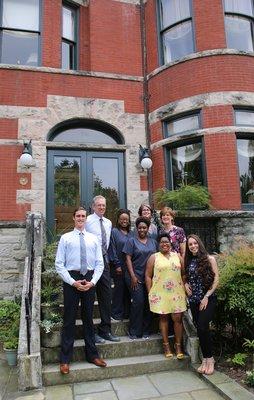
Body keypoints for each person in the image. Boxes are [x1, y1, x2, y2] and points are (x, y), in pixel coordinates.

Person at [55, 206, 106, 374]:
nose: (81, 218)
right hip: (72, 279)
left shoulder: (93, 239)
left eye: (83, 216)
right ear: (73, 218)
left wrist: (92, 282)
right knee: (69, 320)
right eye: (78, 216)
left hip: (89, 279)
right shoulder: (65, 238)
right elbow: (59, 264)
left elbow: (99, 263)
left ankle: (92, 355)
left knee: (88, 319)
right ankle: (65, 359)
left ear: (86, 218)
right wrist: (72, 282)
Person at [145, 233, 186, 359]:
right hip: (160, 293)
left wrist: (184, 288)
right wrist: (150, 292)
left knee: (177, 318)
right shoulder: (154, 257)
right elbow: (148, 275)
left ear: (171, 243)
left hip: (177, 292)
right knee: (163, 318)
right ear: (158, 244)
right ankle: (166, 345)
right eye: (162, 242)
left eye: (167, 241)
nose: (165, 244)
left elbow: (184, 274)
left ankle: (178, 346)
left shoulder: (178, 256)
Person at [86, 195, 120, 343]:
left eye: (103, 205)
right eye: (99, 205)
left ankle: (105, 330)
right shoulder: (87, 221)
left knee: (106, 297)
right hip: (89, 263)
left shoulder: (108, 223)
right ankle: (91, 332)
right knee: (89, 298)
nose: (101, 207)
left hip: (104, 263)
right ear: (93, 207)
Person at [184, 234, 219, 375]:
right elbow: (186, 276)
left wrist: (206, 296)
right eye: (190, 244)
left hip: (207, 298)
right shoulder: (189, 261)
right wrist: (185, 284)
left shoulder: (210, 259)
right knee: (200, 329)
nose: (193, 246)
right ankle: (205, 359)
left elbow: (216, 279)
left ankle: (210, 359)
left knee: (204, 326)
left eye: (195, 243)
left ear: (199, 243)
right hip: (194, 300)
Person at [123, 216, 157, 339]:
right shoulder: (131, 241)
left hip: (150, 278)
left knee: (149, 303)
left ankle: (146, 331)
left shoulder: (153, 242)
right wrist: (132, 276)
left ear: (148, 228)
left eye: (144, 227)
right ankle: (134, 331)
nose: (142, 229)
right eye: (140, 228)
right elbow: (127, 259)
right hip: (135, 277)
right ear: (136, 229)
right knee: (138, 302)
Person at [108, 209, 133, 321]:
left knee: (128, 291)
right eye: (122, 219)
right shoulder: (114, 232)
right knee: (119, 290)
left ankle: (127, 313)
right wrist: (117, 264)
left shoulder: (131, 233)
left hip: (130, 267)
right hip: (118, 266)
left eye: (126, 219)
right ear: (118, 220)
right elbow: (112, 249)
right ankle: (116, 313)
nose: (124, 221)